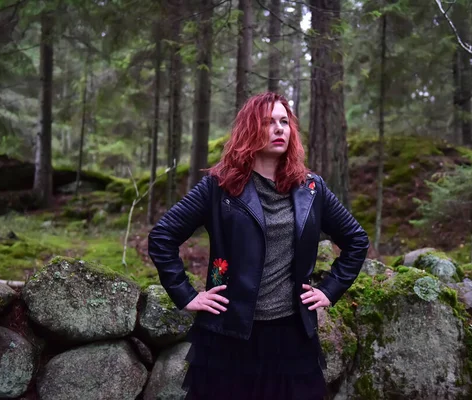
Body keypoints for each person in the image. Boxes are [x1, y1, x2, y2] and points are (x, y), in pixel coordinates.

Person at [148, 92, 369, 400]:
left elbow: (356, 240)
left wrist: (330, 289)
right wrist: (186, 295)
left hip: (292, 335)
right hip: (229, 332)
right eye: (268, 122)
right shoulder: (219, 186)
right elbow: (163, 237)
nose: (279, 129)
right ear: (250, 129)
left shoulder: (311, 188)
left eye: (284, 122)